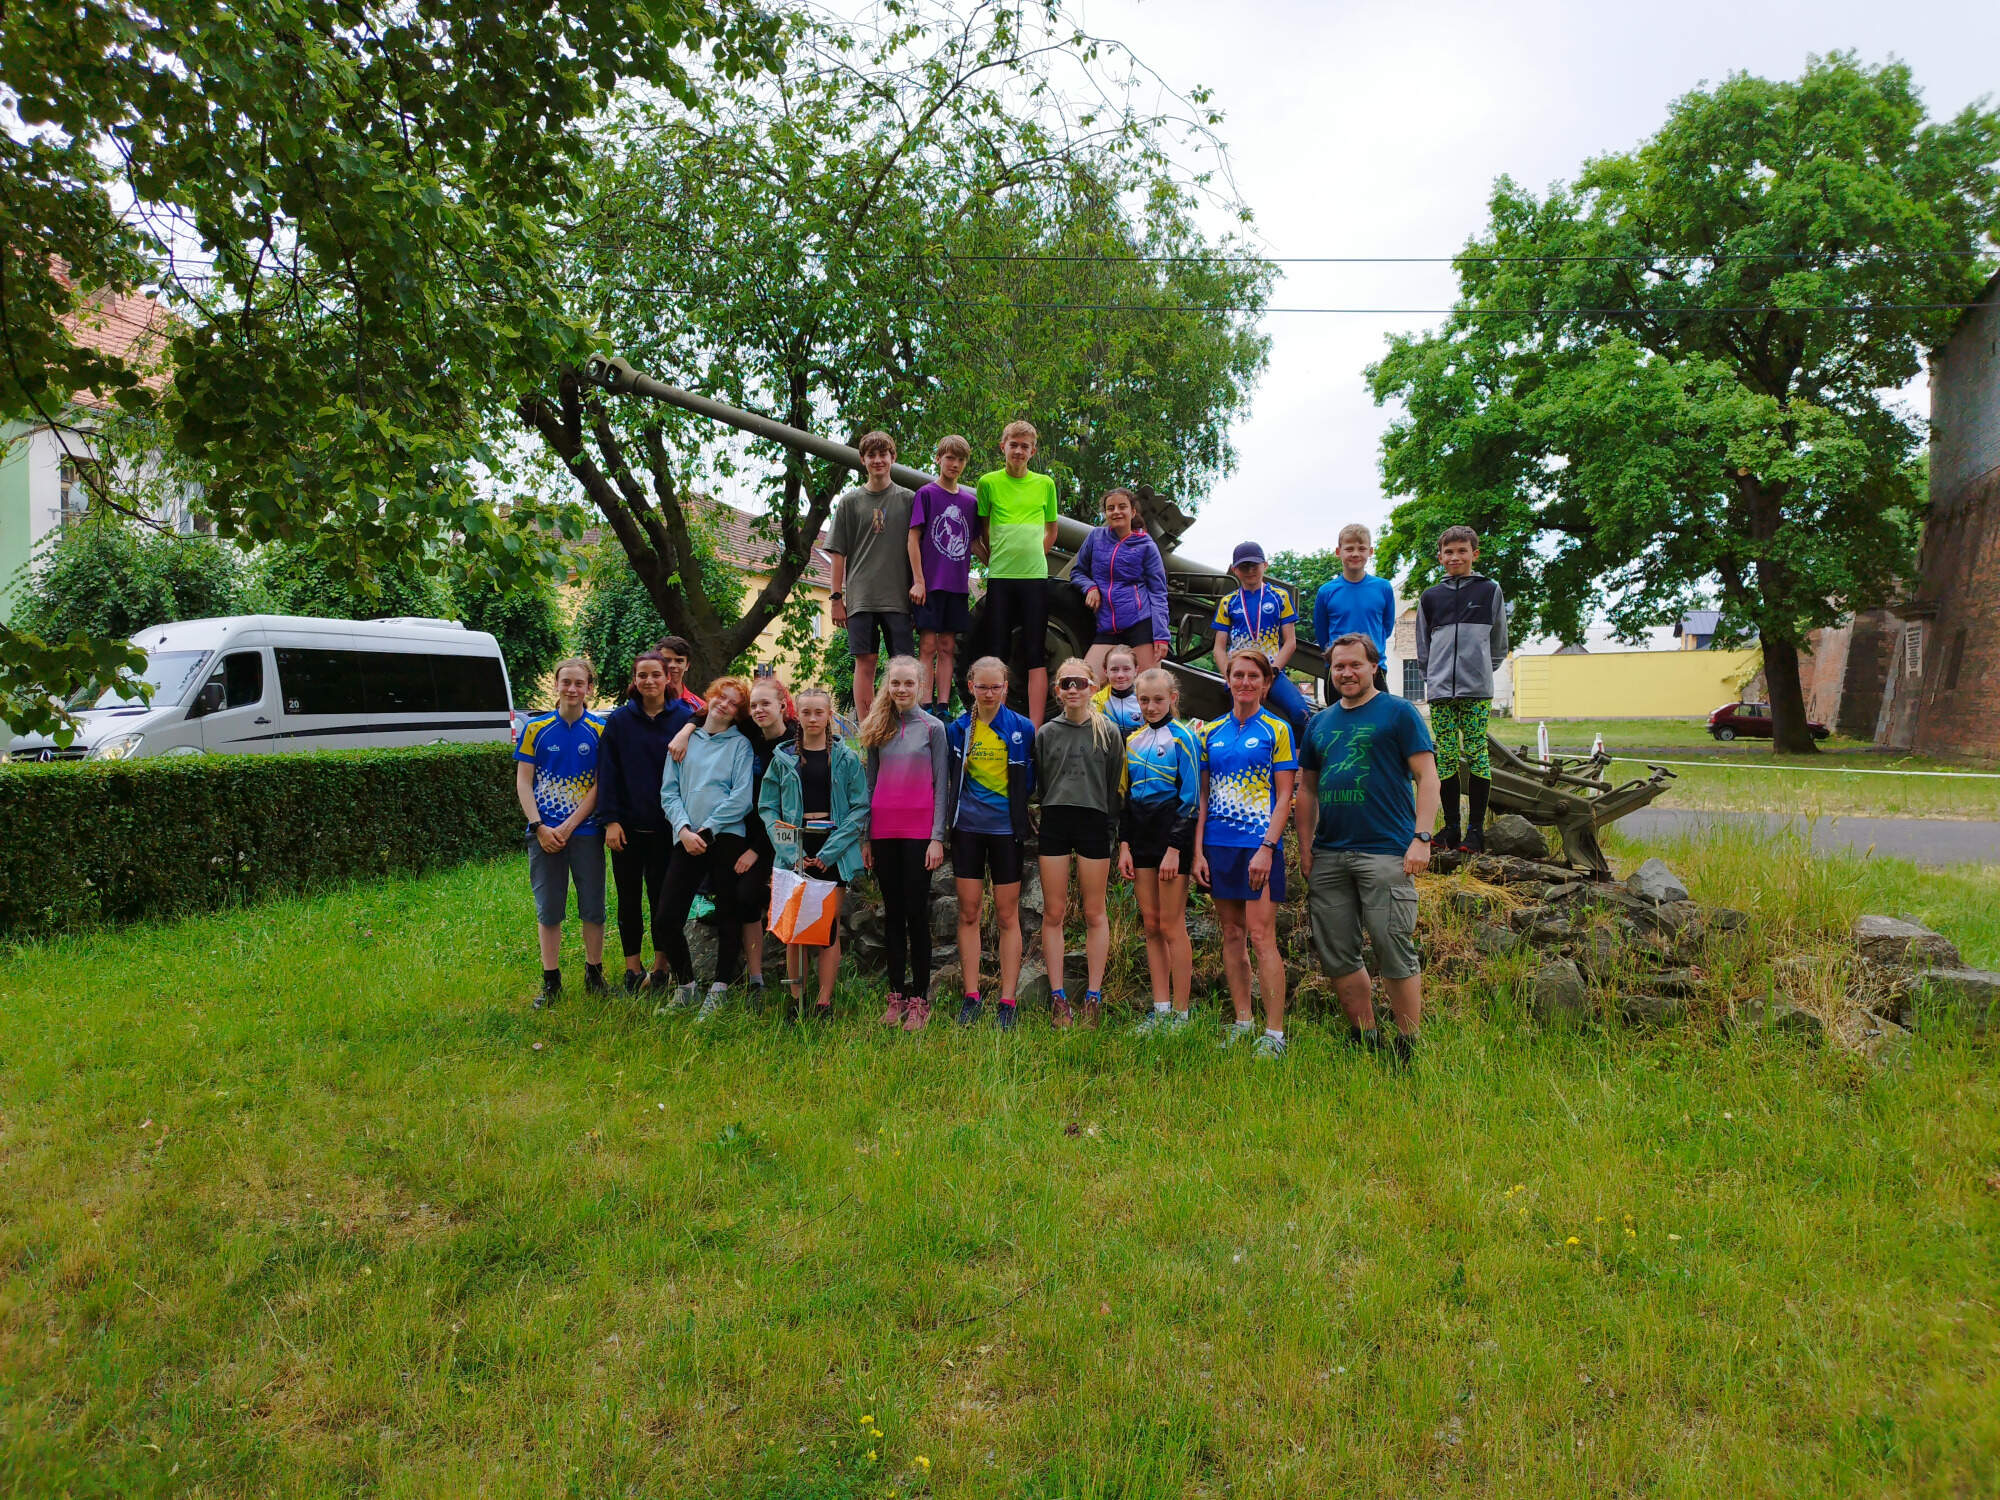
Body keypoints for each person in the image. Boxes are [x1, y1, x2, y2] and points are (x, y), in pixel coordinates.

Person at [1295, 633, 1440, 1067]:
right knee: (1338, 952)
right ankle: (1365, 1038)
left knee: (1392, 947)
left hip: (1387, 853)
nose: (1346, 673)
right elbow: (1307, 790)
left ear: (1374, 666)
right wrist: (1306, 850)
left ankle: (1407, 1046)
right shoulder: (1320, 723)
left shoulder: (1399, 713)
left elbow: (1427, 777)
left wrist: (1422, 837)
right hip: (1330, 854)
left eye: (1355, 664)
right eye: (1338, 666)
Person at [1195, 647, 1297, 1057]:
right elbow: (1203, 796)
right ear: (1228, 680)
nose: (1245, 682)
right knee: (1232, 934)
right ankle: (1242, 1021)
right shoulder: (1210, 732)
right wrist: (1198, 852)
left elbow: (1285, 795)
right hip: (1218, 845)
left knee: (1261, 935)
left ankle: (1274, 1034)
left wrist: (1267, 848)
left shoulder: (1278, 729)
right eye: (1238, 675)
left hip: (1258, 846)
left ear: (1266, 683)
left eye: (1254, 676)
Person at [760, 685, 870, 1023]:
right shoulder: (783, 760)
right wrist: (790, 851)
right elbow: (768, 808)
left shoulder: (846, 759)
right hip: (794, 850)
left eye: (819, 712)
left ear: (829, 716)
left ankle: (824, 1003)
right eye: (806, 712)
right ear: (798, 715)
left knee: (827, 930)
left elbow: (859, 807)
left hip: (833, 851)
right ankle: (797, 1001)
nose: (812, 718)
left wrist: (830, 852)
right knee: (794, 930)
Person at [1034, 658, 1129, 1027]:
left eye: (1079, 682)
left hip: (1094, 820)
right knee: (1053, 912)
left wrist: (1113, 830)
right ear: (1057, 691)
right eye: (1065, 683)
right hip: (1056, 820)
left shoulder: (1108, 732)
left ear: (1093, 686)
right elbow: (1043, 781)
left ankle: (1094, 995)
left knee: (1094, 912)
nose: (1073, 689)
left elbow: (1114, 785)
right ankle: (1058, 997)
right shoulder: (1046, 733)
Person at [657, 677, 759, 1018]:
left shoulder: (740, 746)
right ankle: (685, 986)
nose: (724, 705)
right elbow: (669, 792)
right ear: (710, 698)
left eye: (733, 703)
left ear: (737, 713)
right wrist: (684, 829)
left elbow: (742, 798)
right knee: (666, 917)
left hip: (725, 836)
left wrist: (708, 829)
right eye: (721, 697)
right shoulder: (684, 742)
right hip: (686, 837)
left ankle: (720, 989)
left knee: (729, 912)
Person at [597, 651, 697, 993]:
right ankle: (632, 969)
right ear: (635, 680)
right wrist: (610, 821)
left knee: (661, 902)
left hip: (667, 829)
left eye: (656, 674)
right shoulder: (619, 721)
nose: (650, 681)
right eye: (643, 675)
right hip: (625, 829)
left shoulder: (683, 718)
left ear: (668, 678)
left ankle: (660, 968)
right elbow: (607, 773)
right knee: (628, 901)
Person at [859, 656, 950, 1029]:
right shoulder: (877, 726)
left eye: (908, 683)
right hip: (884, 833)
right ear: (888, 685)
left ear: (921, 686)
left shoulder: (934, 728)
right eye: (895, 682)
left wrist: (937, 837)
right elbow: (870, 783)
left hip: (918, 835)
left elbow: (941, 786)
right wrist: (866, 836)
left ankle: (920, 999)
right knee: (893, 915)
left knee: (916, 913)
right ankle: (895, 995)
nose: (901, 689)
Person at [946, 656, 1036, 1030]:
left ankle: (1007, 1000)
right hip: (967, 830)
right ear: (970, 686)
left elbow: (1030, 780)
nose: (988, 694)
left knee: (1006, 915)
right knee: (968, 913)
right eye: (981, 687)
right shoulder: (958, 729)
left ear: (1005, 687)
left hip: (1006, 831)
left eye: (995, 687)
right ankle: (971, 996)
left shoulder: (1022, 728)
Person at [514, 658, 608, 1009]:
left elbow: (600, 784)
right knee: (549, 909)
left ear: (589, 688)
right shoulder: (535, 728)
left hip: (586, 832)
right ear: (556, 685)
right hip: (543, 834)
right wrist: (539, 826)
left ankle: (594, 975)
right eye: (566, 681)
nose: (572, 688)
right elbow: (524, 782)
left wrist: (568, 826)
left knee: (593, 907)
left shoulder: (600, 730)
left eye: (579, 683)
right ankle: (551, 981)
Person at [1117, 667, 1201, 1033]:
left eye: (1158, 700)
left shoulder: (1185, 737)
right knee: (1151, 925)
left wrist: (1175, 849)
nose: (1151, 707)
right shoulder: (1132, 740)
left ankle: (1181, 1014)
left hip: (1171, 837)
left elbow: (1191, 799)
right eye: (1144, 700)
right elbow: (1125, 798)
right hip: (1140, 837)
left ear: (1173, 699)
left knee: (1171, 925)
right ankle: (1160, 1008)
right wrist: (1124, 846)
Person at [1415, 524, 1508, 852]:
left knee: (1478, 753)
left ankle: (1475, 831)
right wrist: (1432, 677)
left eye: (1462, 551)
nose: (1455, 557)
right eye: (1449, 552)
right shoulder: (1430, 597)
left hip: (1476, 690)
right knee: (1446, 756)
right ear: (1440, 557)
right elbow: (1423, 645)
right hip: (1441, 691)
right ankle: (1452, 827)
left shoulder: (1489, 590)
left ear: (1474, 554)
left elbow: (1499, 641)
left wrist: (1481, 670)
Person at [826, 431, 917, 717]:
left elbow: (918, 548)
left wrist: (919, 586)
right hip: (861, 598)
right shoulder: (849, 502)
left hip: (899, 597)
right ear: (862, 460)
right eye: (871, 455)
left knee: (904, 666)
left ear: (893, 457)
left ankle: (905, 723)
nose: (878, 460)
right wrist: (836, 598)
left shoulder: (909, 499)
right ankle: (868, 730)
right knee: (865, 662)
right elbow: (837, 553)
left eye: (883, 454)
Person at [975, 420, 1059, 726]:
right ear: (1003, 447)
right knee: (997, 650)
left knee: (1035, 652)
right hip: (1001, 577)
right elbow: (984, 528)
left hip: (1034, 578)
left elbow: (1052, 529)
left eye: (1025, 446)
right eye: (1014, 445)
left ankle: (1034, 727)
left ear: (1033, 451)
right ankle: (996, 721)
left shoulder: (1045, 484)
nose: (1019, 451)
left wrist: (1034, 555)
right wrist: (997, 558)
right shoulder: (988, 483)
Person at [908, 435, 977, 719]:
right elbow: (913, 538)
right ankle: (925, 704)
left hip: (957, 586)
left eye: (960, 460)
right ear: (938, 458)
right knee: (927, 645)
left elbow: (974, 542)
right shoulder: (926, 494)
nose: (955, 464)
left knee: (948, 646)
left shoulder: (969, 502)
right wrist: (919, 580)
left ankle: (944, 707)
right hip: (930, 584)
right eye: (949, 458)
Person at [737, 676, 799, 993]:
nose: (759, 710)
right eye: (754, 705)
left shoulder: (797, 741)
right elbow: (708, 713)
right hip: (754, 835)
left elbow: (786, 809)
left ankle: (798, 981)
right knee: (746, 896)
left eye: (766, 704)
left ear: (782, 706)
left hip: (790, 836)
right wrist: (687, 730)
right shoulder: (749, 738)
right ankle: (756, 979)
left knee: (793, 895)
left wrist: (759, 850)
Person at [1212, 542, 1311, 737]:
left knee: (1301, 714)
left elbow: (1290, 642)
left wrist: (1270, 674)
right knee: (1241, 724)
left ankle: (1300, 756)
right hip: (1240, 675)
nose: (1250, 571)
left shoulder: (1280, 597)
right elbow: (1218, 648)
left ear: (1265, 565)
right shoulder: (1228, 602)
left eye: (1254, 565)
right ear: (1234, 570)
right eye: (1244, 566)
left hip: (1271, 671)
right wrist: (1230, 678)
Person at [1071, 487, 1170, 679]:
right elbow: (1077, 572)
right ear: (1106, 513)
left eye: (1122, 507)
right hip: (1107, 625)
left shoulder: (1146, 545)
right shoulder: (1095, 537)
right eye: (1111, 508)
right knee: (1086, 682)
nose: (1116, 512)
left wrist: (1161, 635)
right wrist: (1090, 587)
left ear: (1133, 512)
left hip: (1140, 623)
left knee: (1150, 685)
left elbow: (1158, 592)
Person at [1312, 524, 1397, 695]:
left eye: (1362, 548)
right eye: (1349, 549)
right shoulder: (1326, 592)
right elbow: (1322, 635)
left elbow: (1386, 628)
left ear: (1370, 551)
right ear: (1338, 552)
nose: (1355, 554)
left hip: (1374, 667)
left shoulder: (1383, 588)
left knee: (1379, 712)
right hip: (1338, 669)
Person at [1089, 644, 1145, 737]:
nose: (1120, 675)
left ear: (1136, 670)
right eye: (1114, 669)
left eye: (1126, 669)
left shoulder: (1146, 698)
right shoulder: (1097, 700)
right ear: (1106, 671)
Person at [653, 635, 709, 713]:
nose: (672, 665)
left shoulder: (699, 707)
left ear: (687, 666)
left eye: (679, 661)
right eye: (666, 660)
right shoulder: (642, 700)